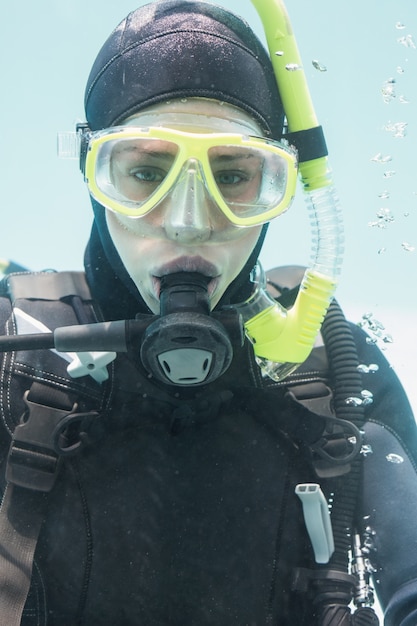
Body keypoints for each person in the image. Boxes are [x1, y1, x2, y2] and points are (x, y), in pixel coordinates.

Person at [0, 1, 416, 624]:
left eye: (235, 176)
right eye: (144, 172)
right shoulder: (20, 357)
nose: (189, 223)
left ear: (282, 187)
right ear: (93, 177)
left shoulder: (337, 368)